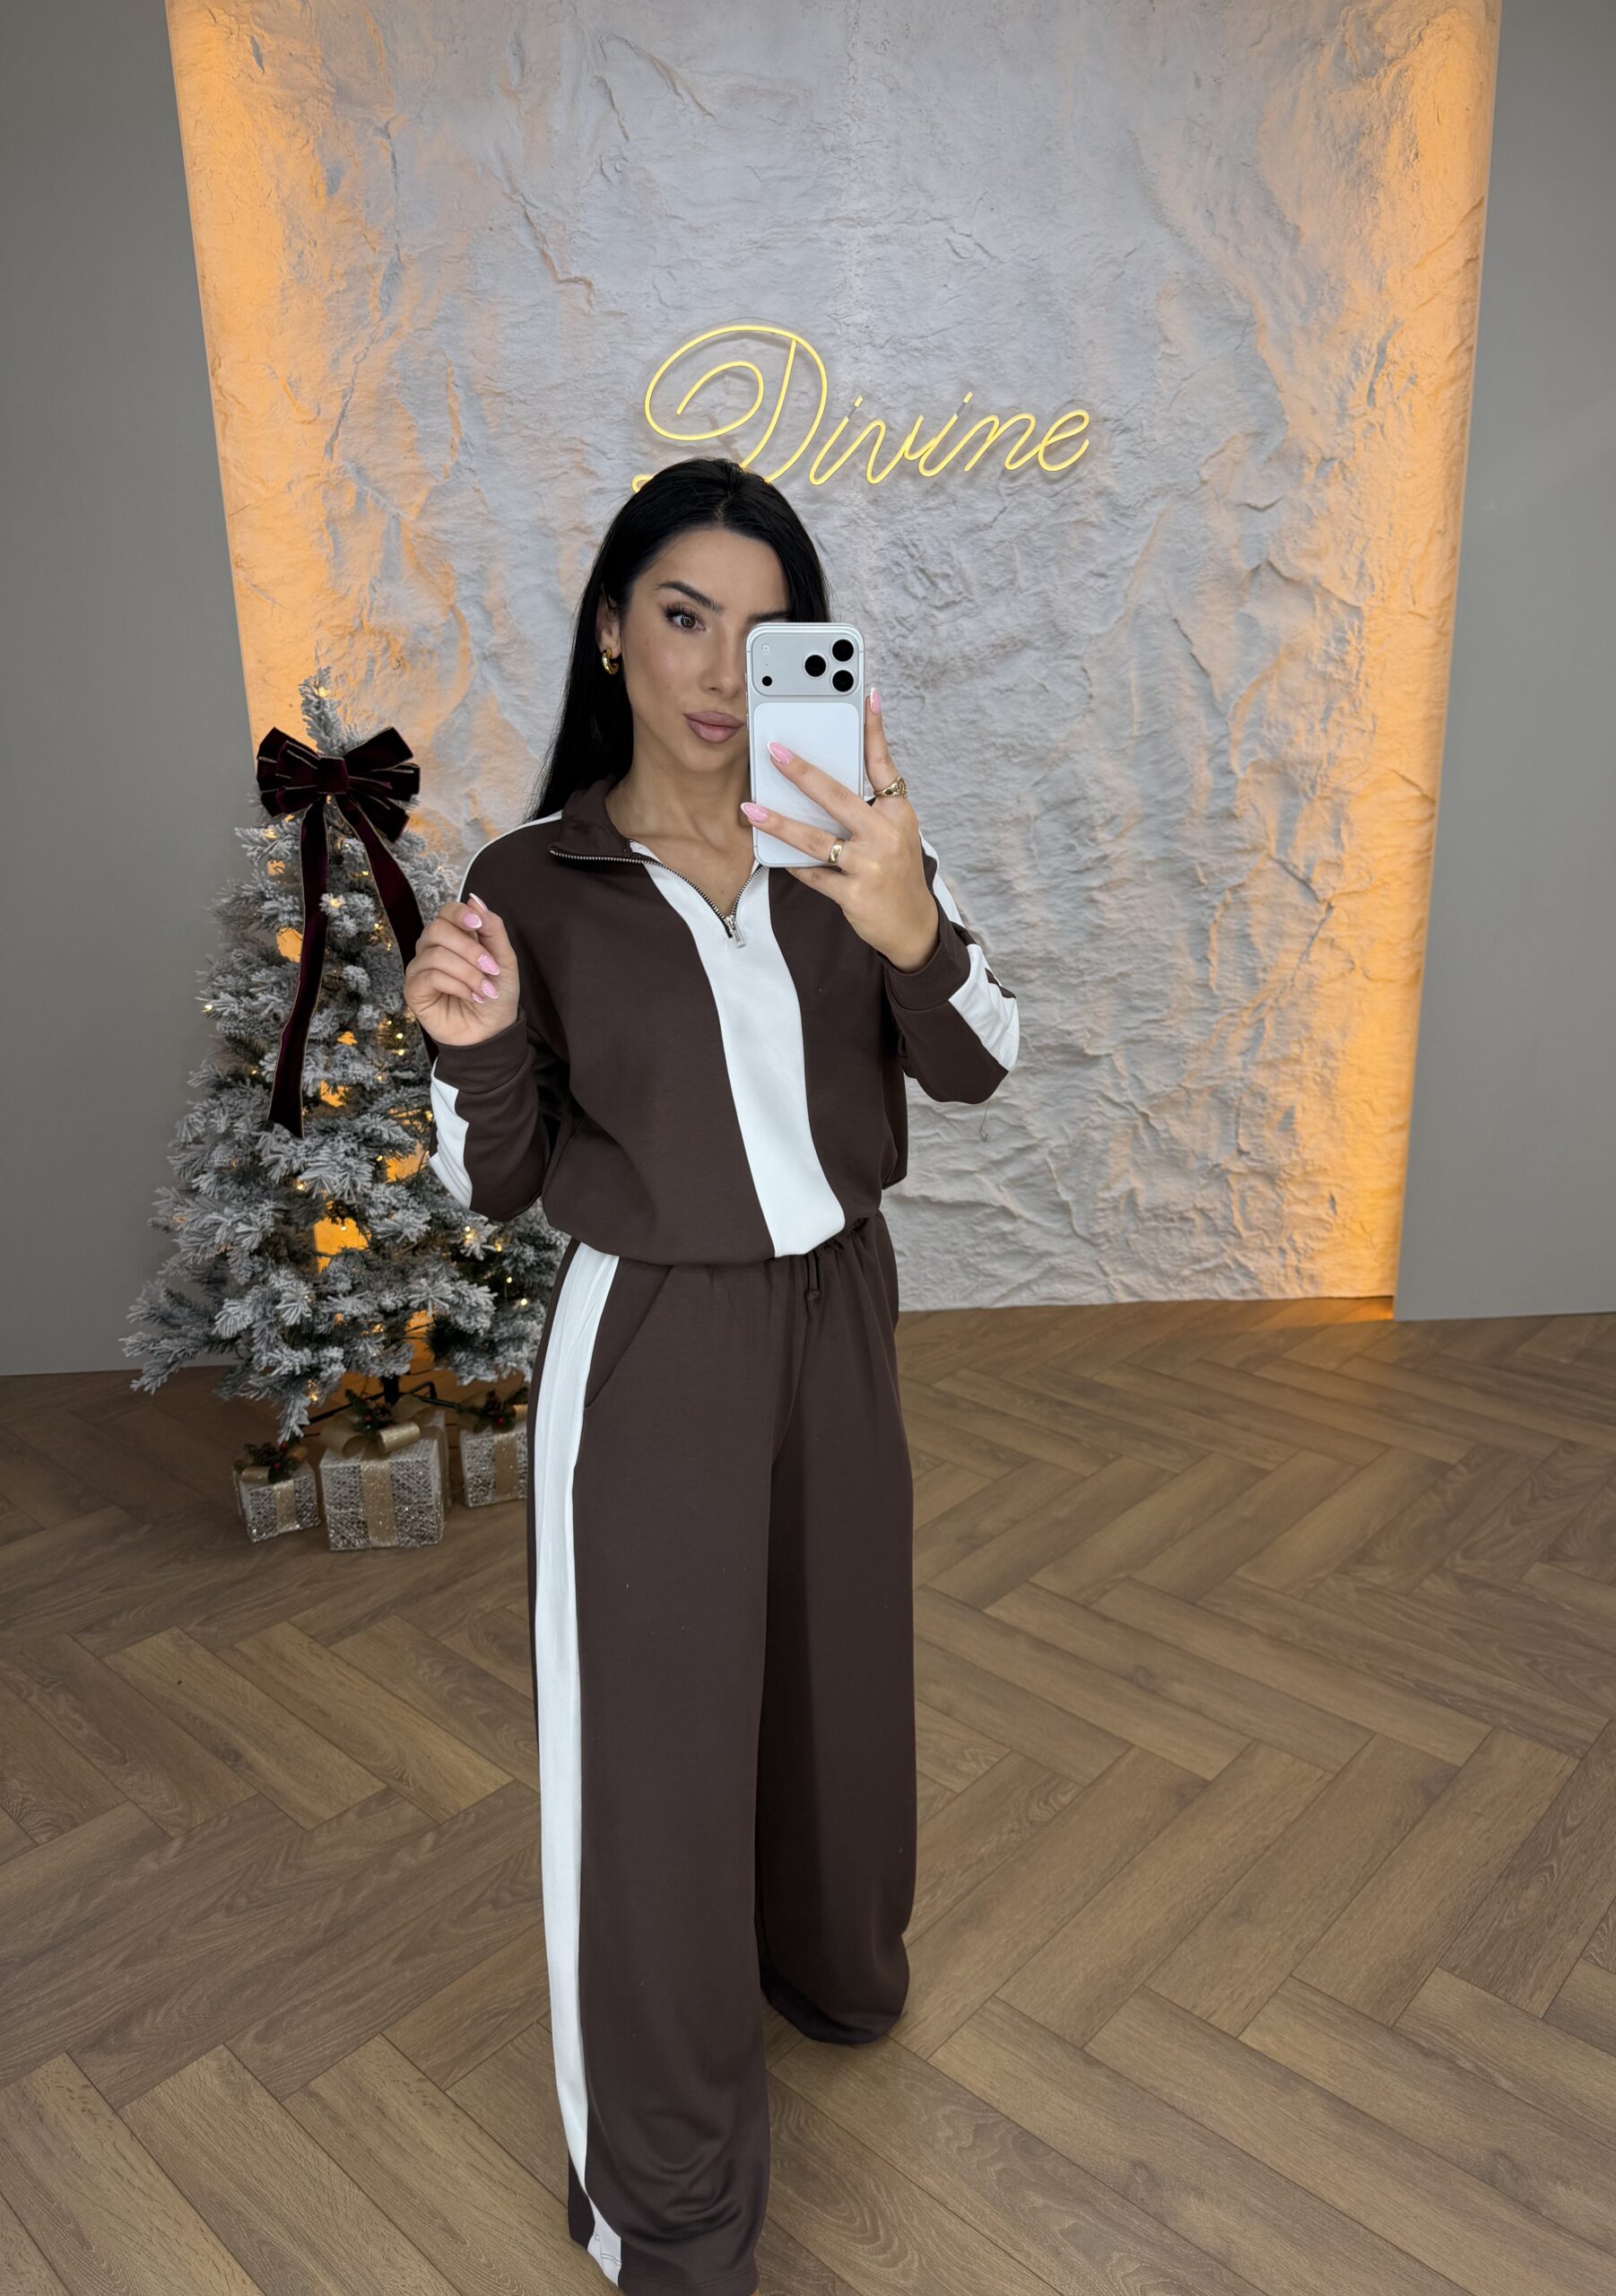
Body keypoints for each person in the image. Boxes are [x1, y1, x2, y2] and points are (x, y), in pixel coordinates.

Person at [403, 456, 1020, 2296]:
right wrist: (470, 1047)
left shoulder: (849, 834)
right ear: (613, 628)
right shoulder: (535, 881)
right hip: (655, 1338)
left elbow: (979, 1061)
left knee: (838, 1681)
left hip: (840, 1314)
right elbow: (492, 1179)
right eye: (683, 616)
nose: (718, 669)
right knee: (655, 1757)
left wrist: (908, 918)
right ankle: (664, 2188)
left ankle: (829, 1965)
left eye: (765, 634)